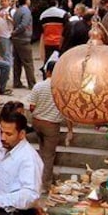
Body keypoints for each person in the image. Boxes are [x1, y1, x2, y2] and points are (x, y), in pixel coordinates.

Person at [29, 61, 71, 189]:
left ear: (47, 72)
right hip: (51, 126)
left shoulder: (38, 86)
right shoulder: (62, 89)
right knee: (48, 156)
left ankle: (37, 179)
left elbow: (32, 106)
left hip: (37, 122)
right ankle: (45, 185)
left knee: (42, 152)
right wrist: (70, 129)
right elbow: (67, 110)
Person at [11, 0, 36, 89]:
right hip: (23, 38)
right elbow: (24, 25)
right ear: (26, 0)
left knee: (17, 62)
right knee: (28, 62)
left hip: (17, 39)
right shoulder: (26, 11)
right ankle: (32, 83)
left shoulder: (17, 11)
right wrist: (15, 32)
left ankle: (16, 82)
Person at [39, 0, 69, 65]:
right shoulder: (63, 14)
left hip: (48, 42)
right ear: (56, 3)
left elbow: (41, 31)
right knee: (59, 61)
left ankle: (47, 74)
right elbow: (68, 28)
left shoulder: (43, 15)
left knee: (48, 61)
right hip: (60, 42)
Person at [0, 0, 14, 67]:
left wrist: (9, 18)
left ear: (9, 2)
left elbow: (15, 22)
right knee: (1, 55)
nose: (3, 3)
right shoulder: (0, 10)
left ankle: (8, 70)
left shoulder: (11, 11)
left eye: (5, 1)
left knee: (7, 54)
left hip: (7, 35)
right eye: (2, 1)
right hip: (0, 35)